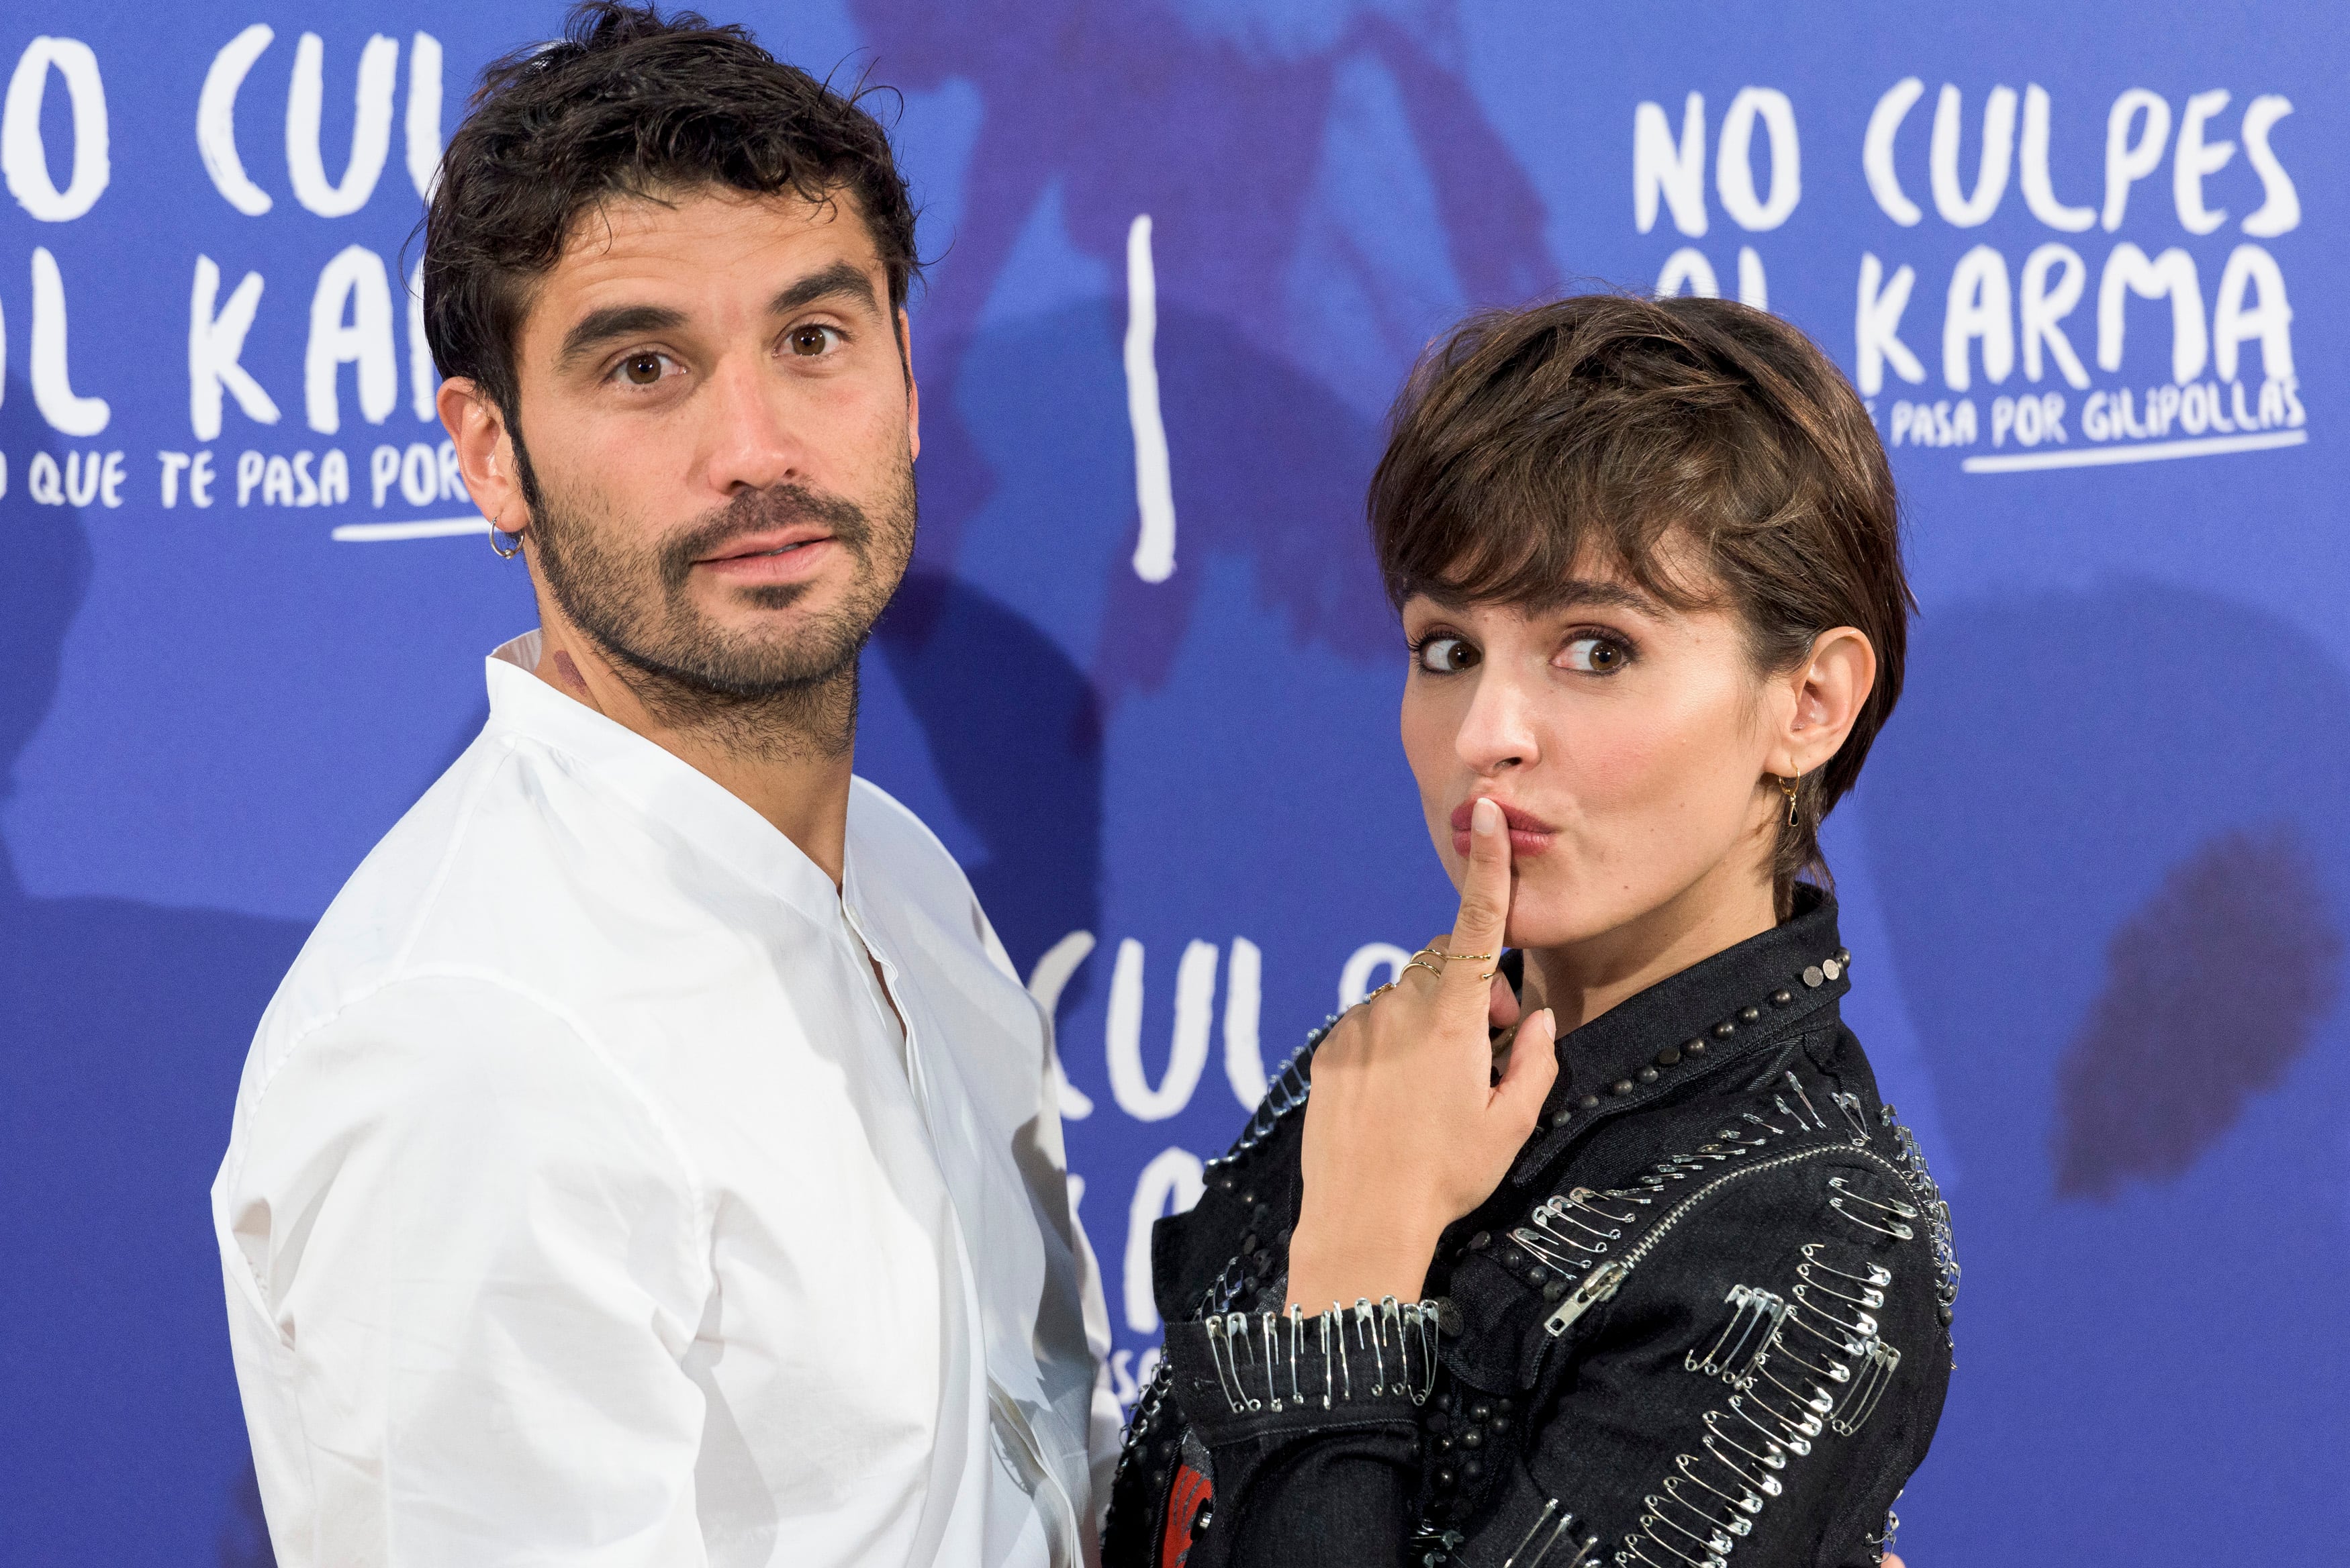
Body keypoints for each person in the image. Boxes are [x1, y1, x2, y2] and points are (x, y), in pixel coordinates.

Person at [208, 7, 1119, 1565]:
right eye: (646, 366)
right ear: (490, 453)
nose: (756, 448)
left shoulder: (897, 873)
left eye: (813, 340)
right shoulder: (473, 1048)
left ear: (906, 381)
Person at [1103, 295, 1951, 1568]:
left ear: (1809, 703)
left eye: (1597, 650)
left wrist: (1352, 1275)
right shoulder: (1387, 1067)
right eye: (1447, 648)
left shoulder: (1814, 1234)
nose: (1485, 732)